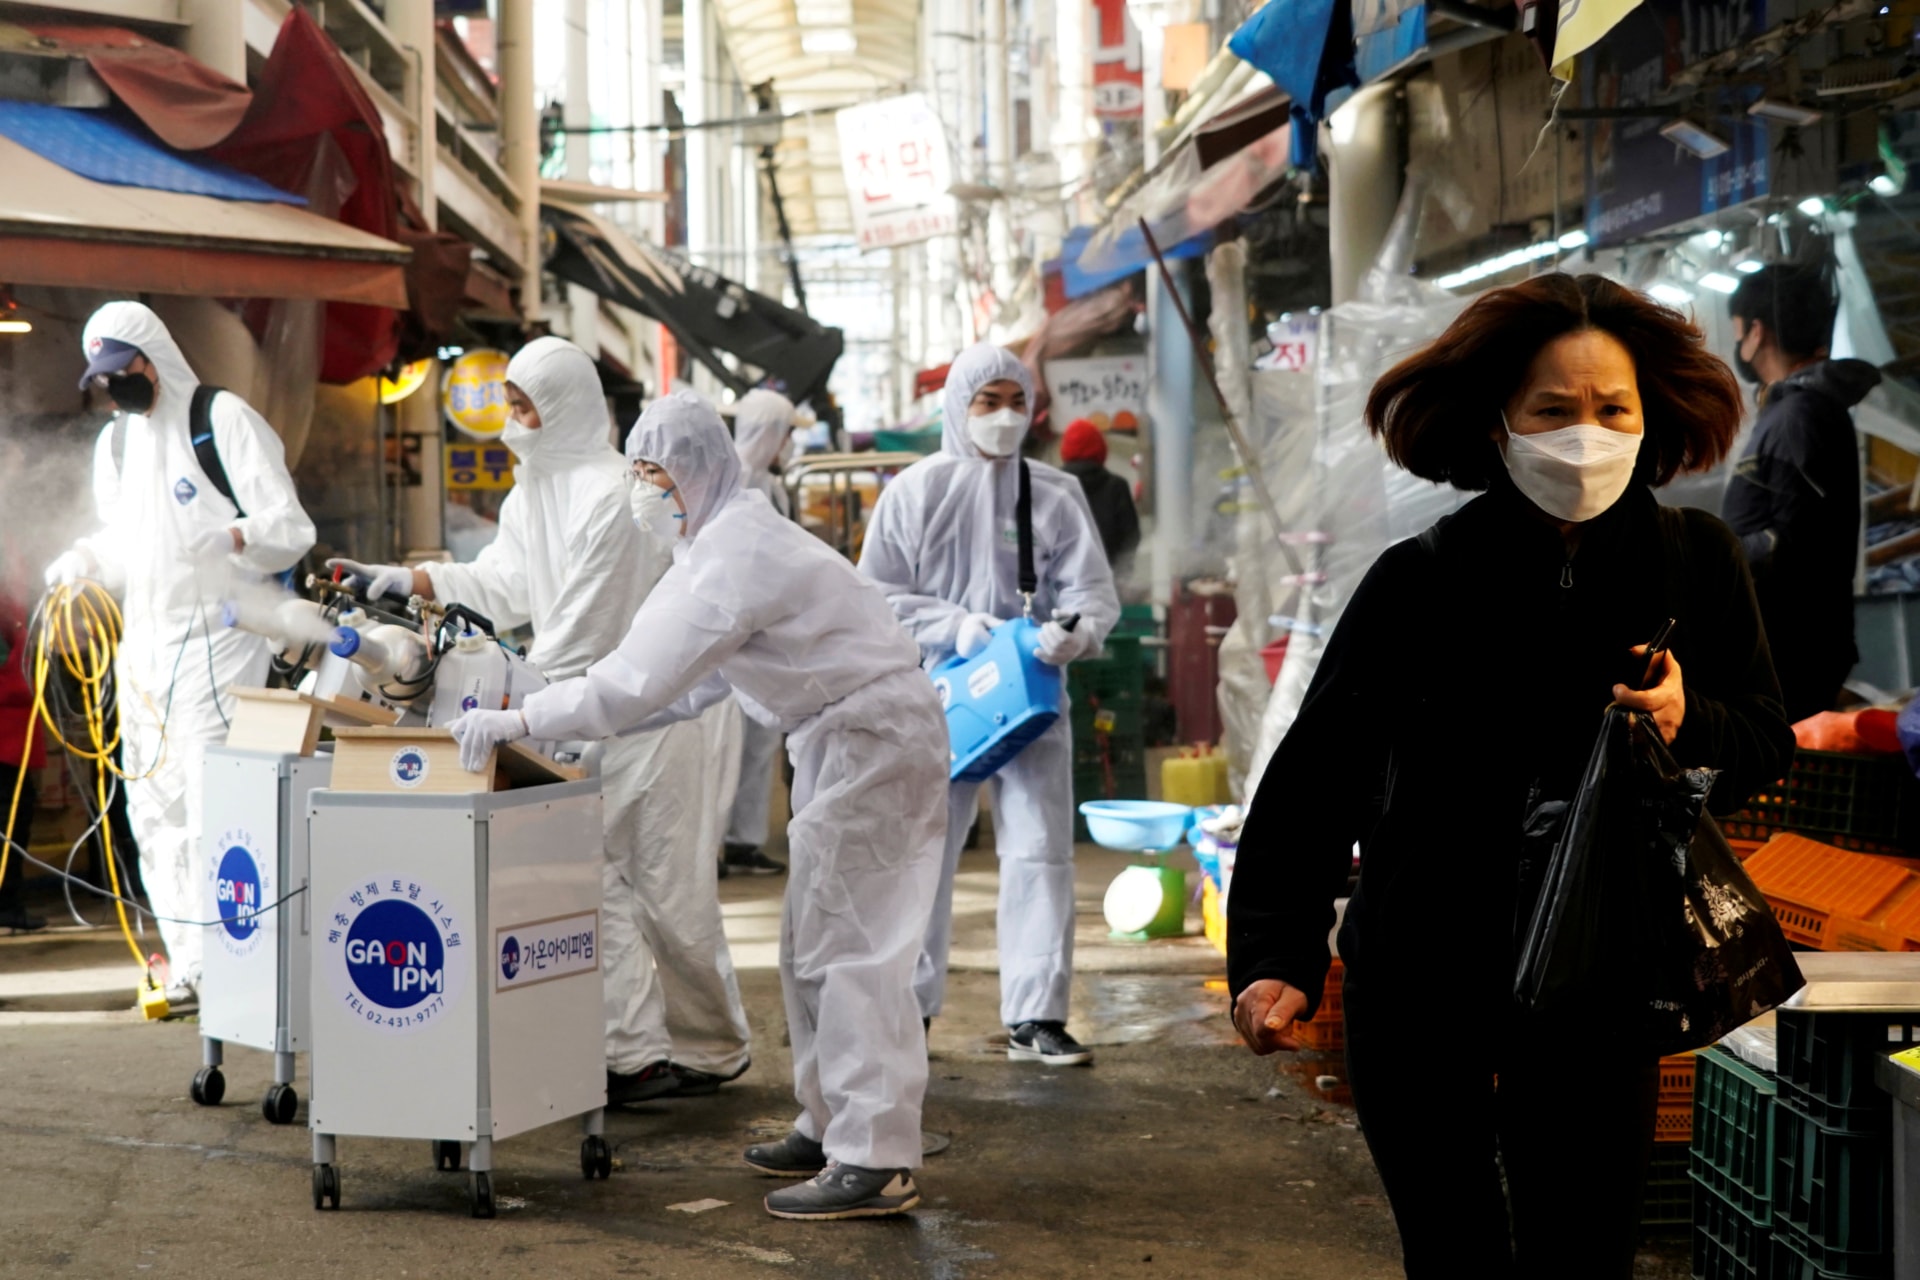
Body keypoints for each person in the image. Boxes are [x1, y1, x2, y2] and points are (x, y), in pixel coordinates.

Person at [1227, 274, 1794, 1279]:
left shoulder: (1695, 559)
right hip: (1419, 975)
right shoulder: (1419, 577)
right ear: (1498, 424)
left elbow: (1759, 740)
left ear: (1648, 415)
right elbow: (1318, 776)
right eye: (1553, 409)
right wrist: (1277, 952)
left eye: (1611, 408)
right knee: (1453, 1253)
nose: (1587, 433)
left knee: (1583, 1252)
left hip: (1601, 978)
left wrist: (1685, 717)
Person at [446, 390, 947, 1221]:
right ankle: (830, 1124)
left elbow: (634, 678)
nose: (642, 490)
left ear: (693, 472)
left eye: (652, 474)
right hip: (849, 737)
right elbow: (692, 683)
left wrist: (526, 718)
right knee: (811, 943)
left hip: (871, 740)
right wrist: (572, 725)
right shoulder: (722, 542)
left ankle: (876, 1156)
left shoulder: (730, 556)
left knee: (855, 948)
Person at [327, 337, 752, 1102]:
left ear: (563, 408)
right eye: (511, 404)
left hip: (648, 721)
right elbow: (504, 583)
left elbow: (583, 628)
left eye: (525, 406)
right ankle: (632, 1054)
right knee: (594, 886)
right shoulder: (532, 495)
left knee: (668, 891)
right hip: (569, 711)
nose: (512, 420)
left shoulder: (614, 496)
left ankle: (713, 1046)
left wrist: (506, 702)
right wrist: (407, 578)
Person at [45, 302, 317, 1009]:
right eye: (104, 377)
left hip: (219, 640)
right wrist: (82, 558)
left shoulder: (220, 420)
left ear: (152, 355)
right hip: (145, 646)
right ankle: (192, 963)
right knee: (151, 804)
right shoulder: (118, 446)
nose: (116, 387)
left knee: (209, 802)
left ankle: (236, 956)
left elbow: (290, 526)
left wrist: (232, 538)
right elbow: (124, 543)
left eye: (123, 370)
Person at [859, 344, 1120, 1065]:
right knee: (924, 854)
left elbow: (1093, 595)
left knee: (1040, 850)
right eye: (987, 401)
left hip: (1032, 695)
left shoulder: (1055, 494)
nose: (1004, 416)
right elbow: (874, 594)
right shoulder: (914, 493)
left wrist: (1076, 634)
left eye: (1016, 401)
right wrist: (957, 627)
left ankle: (1037, 1014)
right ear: (958, 406)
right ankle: (909, 1009)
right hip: (936, 697)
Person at [1722, 262, 1879, 724]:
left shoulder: (1801, 416)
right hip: (1784, 646)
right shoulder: (1797, 408)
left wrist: (1712, 553)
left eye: (1737, 332)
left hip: (1791, 651)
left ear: (1756, 332)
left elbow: (1794, 543)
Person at [723, 388, 797, 876]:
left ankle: (741, 841)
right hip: (734, 633)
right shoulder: (735, 485)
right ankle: (723, 840)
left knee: (758, 741)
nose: (790, 444)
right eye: (788, 433)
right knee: (729, 743)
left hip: (767, 630)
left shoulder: (771, 486)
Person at [1057, 418, 1140, 582]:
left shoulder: (1054, 487)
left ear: (1065, 450)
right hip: (1109, 583)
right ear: (1101, 449)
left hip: (1064, 584)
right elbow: (1131, 536)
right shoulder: (1117, 487)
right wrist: (1121, 573)